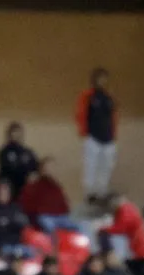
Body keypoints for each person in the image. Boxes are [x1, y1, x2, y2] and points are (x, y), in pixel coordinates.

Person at [75, 67, 118, 205]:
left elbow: (113, 116)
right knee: (91, 166)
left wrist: (113, 133)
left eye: (105, 78)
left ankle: (102, 191)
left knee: (107, 166)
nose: (103, 81)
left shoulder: (109, 97)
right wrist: (84, 132)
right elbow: (80, 114)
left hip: (108, 137)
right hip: (93, 137)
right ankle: (90, 193)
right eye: (100, 78)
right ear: (94, 80)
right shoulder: (88, 96)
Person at [19, 158, 79, 234]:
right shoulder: (34, 185)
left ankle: (90, 245)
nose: (52, 171)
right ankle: (55, 246)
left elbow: (65, 205)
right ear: (42, 170)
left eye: (53, 168)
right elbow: (26, 205)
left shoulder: (56, 186)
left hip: (61, 216)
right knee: (49, 225)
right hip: (45, 217)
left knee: (82, 224)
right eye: (49, 168)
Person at [0, 180, 30, 258]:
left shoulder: (16, 208)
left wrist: (6, 222)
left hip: (17, 246)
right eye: (0, 191)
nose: (3, 193)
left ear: (10, 193)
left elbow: (24, 223)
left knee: (32, 252)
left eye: (5, 191)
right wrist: (7, 222)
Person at [0, 122, 39, 199]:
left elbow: (35, 167)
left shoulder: (27, 152)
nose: (16, 135)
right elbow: (7, 168)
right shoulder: (4, 151)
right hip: (10, 187)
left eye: (18, 133)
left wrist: (33, 175)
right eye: (14, 133)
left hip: (26, 188)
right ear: (9, 135)